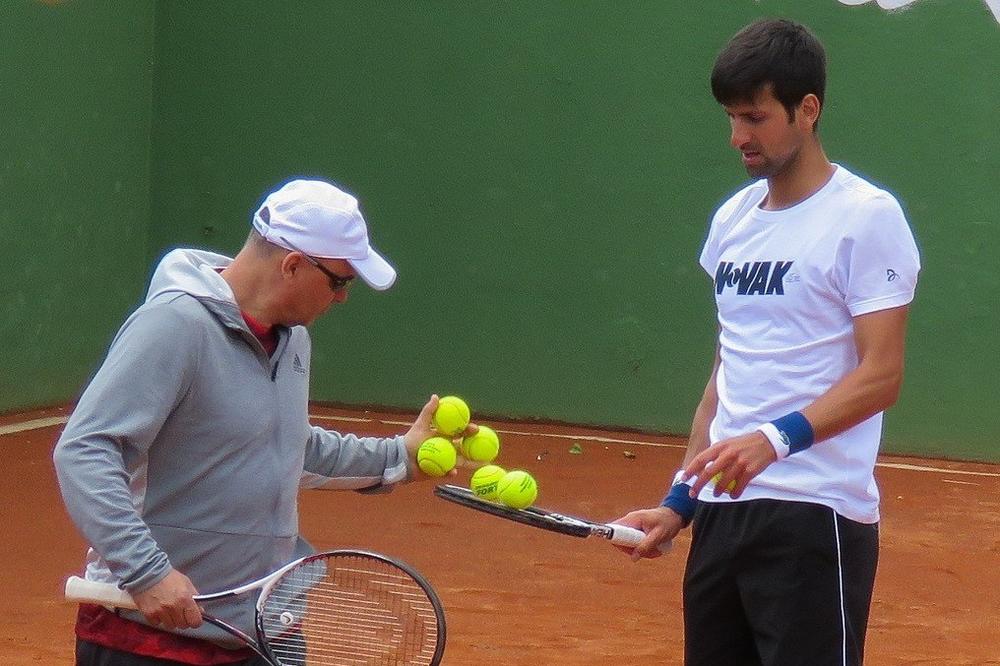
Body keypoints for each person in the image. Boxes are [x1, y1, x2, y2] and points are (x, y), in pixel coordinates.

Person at [54, 178, 471, 665]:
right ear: (293, 264)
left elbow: (284, 445)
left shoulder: (293, 340)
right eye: (340, 281)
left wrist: (399, 457)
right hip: (152, 640)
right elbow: (86, 449)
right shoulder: (173, 327)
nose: (342, 298)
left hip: (262, 632)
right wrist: (145, 572)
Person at [614, 18, 920, 666]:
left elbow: (881, 374)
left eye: (755, 117)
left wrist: (774, 439)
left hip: (814, 516)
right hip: (726, 514)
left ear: (807, 110)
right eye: (731, 117)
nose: (738, 137)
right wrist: (680, 502)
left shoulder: (866, 216)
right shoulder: (731, 220)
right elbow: (727, 377)